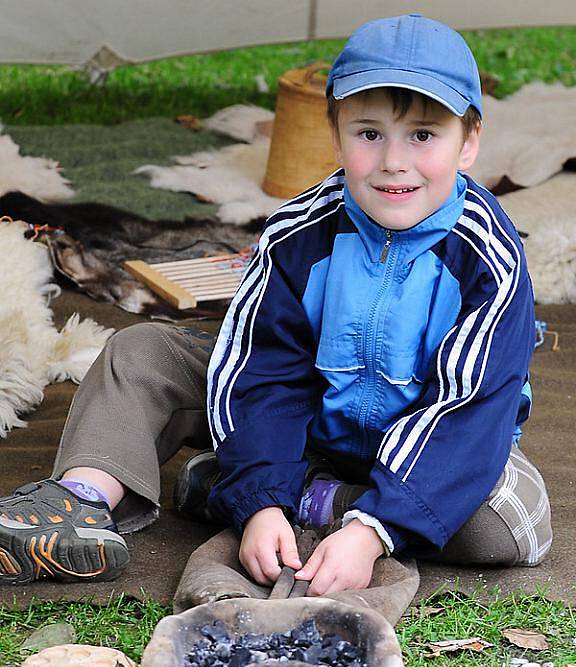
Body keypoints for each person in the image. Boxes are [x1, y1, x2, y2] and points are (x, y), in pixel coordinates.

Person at [0, 14, 552, 592]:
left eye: (423, 135)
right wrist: (264, 501)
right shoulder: (296, 232)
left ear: (469, 143)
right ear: (335, 133)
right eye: (369, 134)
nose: (394, 160)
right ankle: (79, 503)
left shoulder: (488, 255)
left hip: (427, 444)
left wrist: (372, 530)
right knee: (138, 353)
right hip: (307, 423)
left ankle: (285, 497)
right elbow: (263, 372)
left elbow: (469, 410)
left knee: (505, 528)